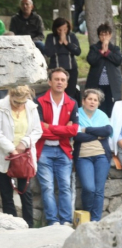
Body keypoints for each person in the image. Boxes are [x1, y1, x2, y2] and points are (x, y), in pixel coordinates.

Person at [35, 68, 79, 226]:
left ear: (67, 84)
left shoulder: (72, 103)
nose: (59, 82)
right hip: (44, 150)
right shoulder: (38, 101)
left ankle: (66, 221)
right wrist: (63, 130)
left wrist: (51, 128)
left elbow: (74, 130)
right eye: (56, 79)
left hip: (63, 150)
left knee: (65, 187)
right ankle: (53, 221)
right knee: (47, 187)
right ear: (49, 82)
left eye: (62, 80)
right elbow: (38, 130)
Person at [0, 86, 42, 228]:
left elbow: (38, 130)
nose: (19, 105)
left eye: (22, 102)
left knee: (26, 193)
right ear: (10, 96)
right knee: (6, 194)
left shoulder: (31, 107)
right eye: (16, 102)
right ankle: (12, 226)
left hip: (24, 156)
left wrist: (24, 143)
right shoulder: (1, 107)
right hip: (4, 156)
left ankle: (29, 225)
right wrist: (11, 149)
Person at [74, 89, 112, 222]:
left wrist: (87, 130)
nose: (92, 102)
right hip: (83, 156)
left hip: (102, 156)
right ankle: (86, 217)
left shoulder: (102, 115)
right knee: (89, 188)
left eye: (95, 100)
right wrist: (97, 134)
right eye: (90, 99)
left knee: (99, 190)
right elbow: (76, 135)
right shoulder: (76, 113)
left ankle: (96, 220)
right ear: (83, 101)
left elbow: (108, 131)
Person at [86, 23, 122, 117]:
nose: (104, 37)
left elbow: (119, 60)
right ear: (99, 36)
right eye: (101, 35)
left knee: (112, 106)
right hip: (97, 83)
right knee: (99, 105)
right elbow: (91, 60)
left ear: (110, 35)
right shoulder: (94, 48)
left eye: (106, 34)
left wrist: (108, 52)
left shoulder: (115, 48)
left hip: (112, 83)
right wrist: (102, 51)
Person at [44, 18, 82, 101]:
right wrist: (60, 43)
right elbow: (48, 53)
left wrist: (66, 43)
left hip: (71, 68)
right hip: (55, 68)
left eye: (65, 29)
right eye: (59, 30)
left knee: (70, 94)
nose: (62, 32)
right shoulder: (50, 37)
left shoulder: (72, 36)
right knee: (57, 92)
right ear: (55, 29)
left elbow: (78, 51)